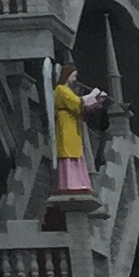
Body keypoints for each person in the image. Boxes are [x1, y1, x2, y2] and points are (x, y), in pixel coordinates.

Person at [52, 63, 106, 197]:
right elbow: (77, 103)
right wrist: (92, 95)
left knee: (75, 152)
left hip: (72, 123)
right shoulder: (61, 89)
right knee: (68, 152)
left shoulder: (66, 90)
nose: (75, 79)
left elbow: (81, 106)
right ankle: (69, 184)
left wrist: (97, 99)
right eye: (73, 76)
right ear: (67, 75)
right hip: (65, 124)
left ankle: (79, 183)